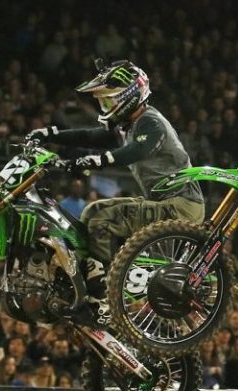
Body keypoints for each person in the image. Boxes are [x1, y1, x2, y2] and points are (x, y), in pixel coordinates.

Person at [25, 60, 204, 324]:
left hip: (181, 204)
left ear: (129, 97)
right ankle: (88, 278)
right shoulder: (127, 125)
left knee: (103, 219)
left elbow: (136, 151)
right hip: (165, 202)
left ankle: (103, 299)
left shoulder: (151, 122)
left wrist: (95, 161)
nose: (105, 107)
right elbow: (91, 136)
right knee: (92, 211)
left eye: (109, 100)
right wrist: (50, 134)